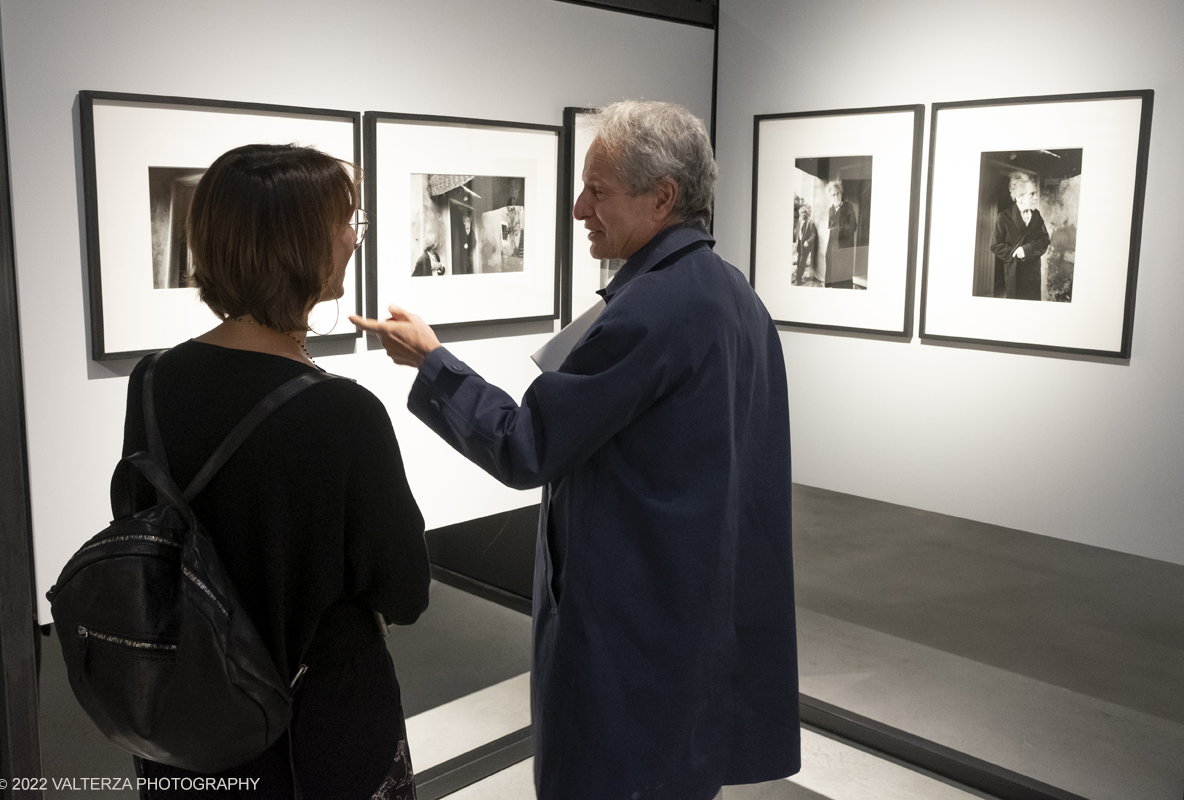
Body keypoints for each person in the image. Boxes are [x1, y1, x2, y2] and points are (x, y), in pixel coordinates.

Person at [352, 101, 799, 800]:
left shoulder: (652, 310)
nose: (575, 206)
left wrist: (432, 363)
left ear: (662, 197)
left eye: (598, 189)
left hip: (630, 629)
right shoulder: (731, 295)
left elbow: (526, 445)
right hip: (686, 614)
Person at [120, 144, 430, 799]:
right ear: (296, 246)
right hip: (315, 732)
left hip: (188, 722)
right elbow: (405, 591)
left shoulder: (152, 381)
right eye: (343, 222)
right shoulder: (345, 411)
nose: (352, 237)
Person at [990, 173, 1049, 300]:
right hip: (1015, 274)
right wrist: (1014, 254)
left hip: (1033, 274)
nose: (1036, 198)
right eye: (1032, 194)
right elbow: (995, 245)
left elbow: (1045, 240)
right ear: (1019, 197)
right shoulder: (1003, 217)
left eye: (1035, 193)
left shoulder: (1036, 215)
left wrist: (1027, 249)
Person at [824, 180, 856, 288]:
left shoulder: (848, 206)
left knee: (844, 278)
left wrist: (835, 230)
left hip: (845, 247)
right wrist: (832, 231)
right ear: (830, 197)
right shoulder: (831, 210)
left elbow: (852, 226)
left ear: (841, 193)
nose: (836, 196)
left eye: (838, 193)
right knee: (832, 275)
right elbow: (830, 227)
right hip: (833, 247)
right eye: (833, 194)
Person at [795, 204, 818, 284]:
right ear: (799, 214)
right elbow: (798, 232)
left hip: (805, 246)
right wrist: (797, 242)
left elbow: (813, 235)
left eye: (805, 212)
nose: (803, 214)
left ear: (807, 213)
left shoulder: (810, 222)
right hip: (800, 244)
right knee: (798, 261)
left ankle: (798, 280)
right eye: (801, 213)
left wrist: (807, 242)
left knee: (802, 262)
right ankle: (798, 276)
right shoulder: (800, 220)